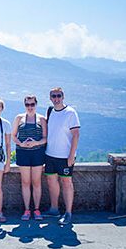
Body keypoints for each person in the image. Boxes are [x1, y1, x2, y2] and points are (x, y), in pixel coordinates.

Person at [44, 87, 81, 225]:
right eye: (53, 96)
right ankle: (54, 210)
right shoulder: (50, 111)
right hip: (50, 154)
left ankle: (68, 213)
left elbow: (76, 134)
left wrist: (71, 155)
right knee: (51, 182)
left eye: (58, 95)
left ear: (63, 96)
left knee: (66, 183)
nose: (56, 98)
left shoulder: (70, 112)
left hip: (65, 156)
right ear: (50, 98)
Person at [11, 95, 47, 221]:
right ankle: (27, 210)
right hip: (23, 153)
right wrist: (20, 143)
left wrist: (35, 143)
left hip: (37, 153)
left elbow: (45, 138)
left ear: (36, 105)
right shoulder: (19, 118)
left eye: (32, 104)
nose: (30, 107)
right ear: (24, 105)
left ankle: (36, 210)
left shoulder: (42, 119)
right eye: (27, 105)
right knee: (25, 182)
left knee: (36, 182)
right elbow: (13, 136)